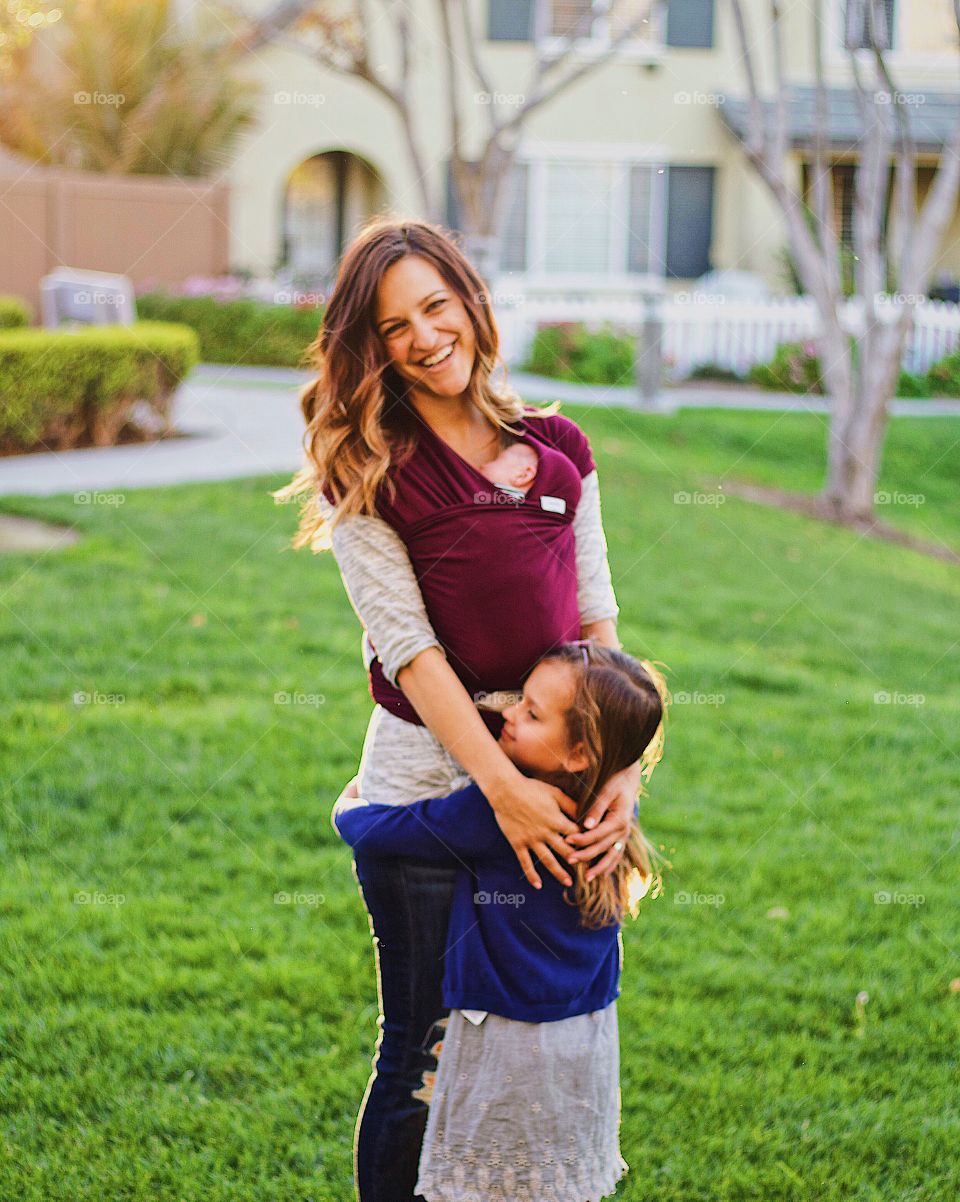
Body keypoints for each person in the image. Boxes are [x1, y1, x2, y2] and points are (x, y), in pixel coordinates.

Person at [273, 217, 644, 1202]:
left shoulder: (560, 451)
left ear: (471, 301)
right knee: (427, 1046)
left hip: (553, 767)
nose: (424, 335)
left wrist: (616, 772)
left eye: (436, 304)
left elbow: (597, 617)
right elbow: (414, 651)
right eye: (393, 325)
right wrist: (501, 788)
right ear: (371, 347)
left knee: (526, 1036)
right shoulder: (369, 468)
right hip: (431, 777)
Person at [332, 640, 669, 1202]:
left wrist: (347, 804)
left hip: (498, 1027)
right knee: (531, 1167)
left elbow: (382, 833)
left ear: (579, 753)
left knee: (464, 1150)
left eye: (531, 713)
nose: (506, 712)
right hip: (580, 1031)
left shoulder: (502, 810)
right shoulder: (612, 817)